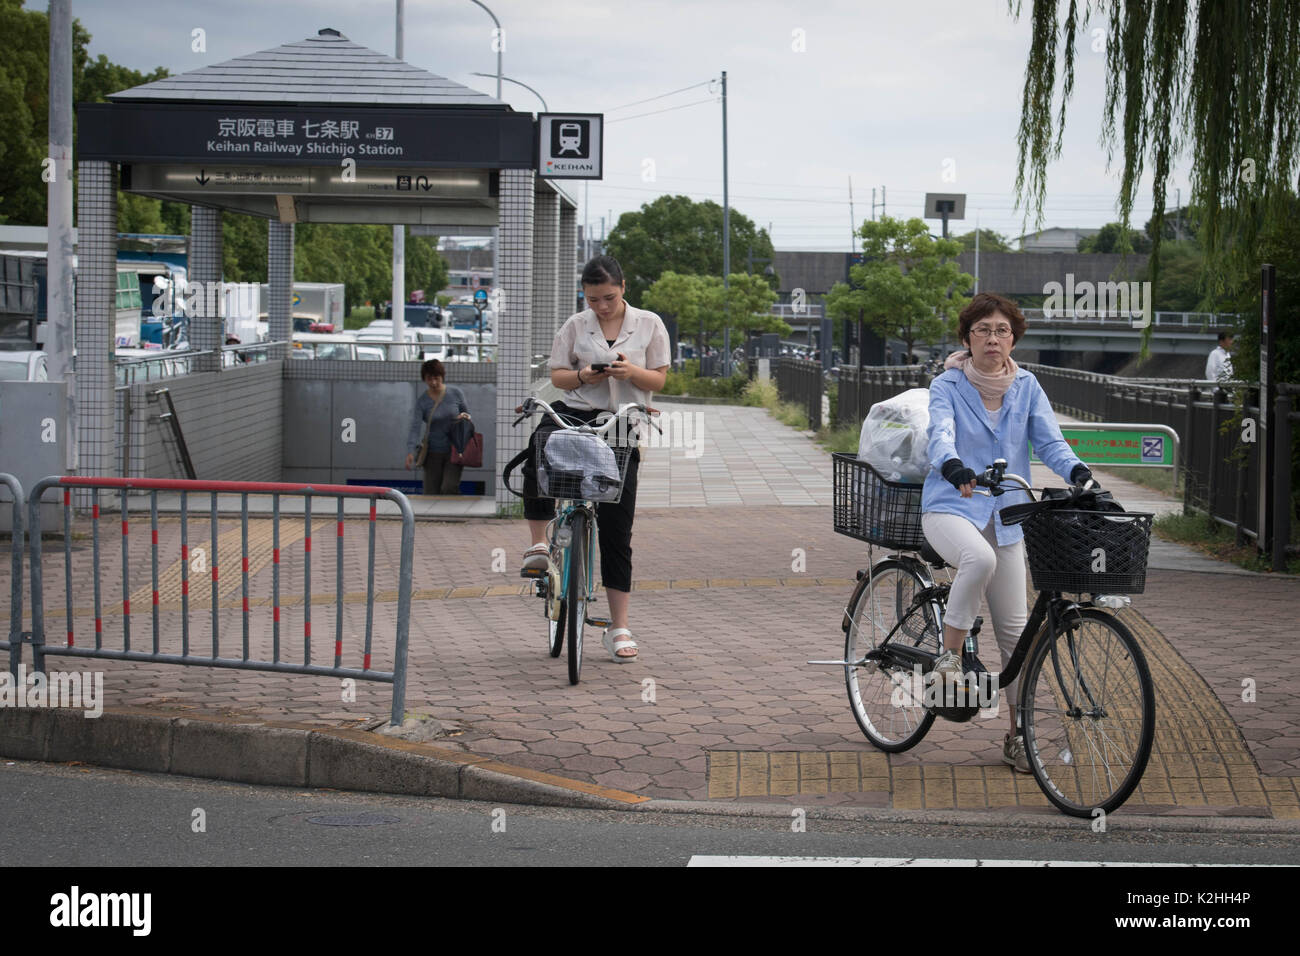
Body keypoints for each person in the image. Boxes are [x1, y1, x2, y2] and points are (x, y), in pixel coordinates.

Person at [921, 292, 1092, 773]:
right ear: (966, 339)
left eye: (1001, 330)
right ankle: (949, 660)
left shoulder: (1028, 386)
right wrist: (952, 465)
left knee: (1017, 634)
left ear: (1013, 337)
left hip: (1009, 516)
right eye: (982, 330)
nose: (992, 338)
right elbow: (940, 433)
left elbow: (1050, 441)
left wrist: (1079, 473)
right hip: (951, 505)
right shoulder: (947, 385)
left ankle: (1020, 737)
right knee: (978, 560)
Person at [521, 255, 671, 662]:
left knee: (617, 529)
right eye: (592, 299)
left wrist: (630, 374)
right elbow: (557, 376)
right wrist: (585, 376)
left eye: (608, 297)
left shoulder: (650, 323)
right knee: (538, 449)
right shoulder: (574, 325)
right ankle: (537, 546)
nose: (601, 306)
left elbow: (658, 377)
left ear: (623, 287)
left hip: (622, 420)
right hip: (576, 411)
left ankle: (619, 626)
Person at [404, 359, 472, 494]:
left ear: (442, 377)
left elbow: (468, 415)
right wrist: (410, 451)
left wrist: (462, 417)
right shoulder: (422, 401)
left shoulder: (455, 393)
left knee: (449, 487)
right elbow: (415, 427)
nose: (434, 383)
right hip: (432, 452)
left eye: (437, 378)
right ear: (424, 379)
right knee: (431, 491)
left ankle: (454, 513)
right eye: (429, 379)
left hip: (454, 449)